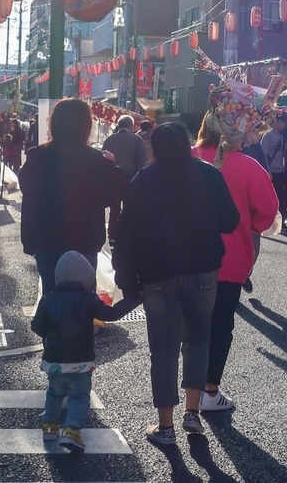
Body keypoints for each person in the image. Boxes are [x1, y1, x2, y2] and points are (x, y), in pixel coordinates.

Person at [114, 122, 240, 443]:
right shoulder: (209, 173)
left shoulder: (143, 180)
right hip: (202, 270)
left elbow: (125, 235)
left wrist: (128, 281)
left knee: (164, 347)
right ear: (187, 144)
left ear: (153, 148)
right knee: (198, 338)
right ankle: (192, 413)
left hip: (157, 273)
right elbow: (230, 220)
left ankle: (166, 426)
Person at [192, 114, 278, 410]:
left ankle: (189, 389)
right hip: (231, 256)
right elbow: (267, 210)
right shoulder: (247, 166)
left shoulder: (186, 157)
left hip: (184, 256)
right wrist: (249, 227)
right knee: (220, 322)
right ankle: (209, 390)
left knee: (191, 323)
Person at [31, 251, 139, 452]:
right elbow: (111, 313)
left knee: (54, 393)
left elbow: (37, 327)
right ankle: (71, 430)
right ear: (86, 278)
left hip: (54, 361)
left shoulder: (48, 299)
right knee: (79, 396)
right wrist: (134, 300)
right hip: (80, 361)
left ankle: (49, 425)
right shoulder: (88, 299)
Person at [19, 99, 126, 292]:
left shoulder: (38, 156)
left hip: (47, 237)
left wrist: (29, 240)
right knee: (83, 298)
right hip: (85, 239)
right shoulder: (96, 160)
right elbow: (111, 197)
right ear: (86, 124)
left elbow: (29, 195)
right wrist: (111, 167)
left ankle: (51, 322)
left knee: (52, 296)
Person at [102, 115, 148, 182]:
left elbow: (103, 159)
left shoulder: (109, 139)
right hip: (131, 179)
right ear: (130, 126)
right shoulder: (137, 140)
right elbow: (141, 161)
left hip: (112, 179)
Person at [260, 116, 287, 216]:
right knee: (272, 198)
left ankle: (281, 221)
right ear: (276, 122)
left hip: (280, 170)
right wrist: (268, 171)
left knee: (281, 197)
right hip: (271, 171)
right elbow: (264, 155)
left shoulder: (281, 137)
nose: (284, 125)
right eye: (282, 122)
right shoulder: (267, 135)